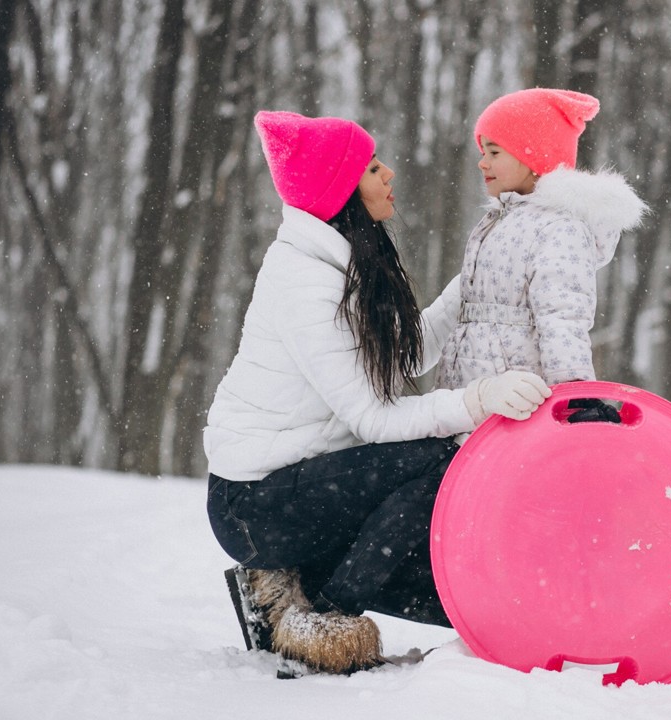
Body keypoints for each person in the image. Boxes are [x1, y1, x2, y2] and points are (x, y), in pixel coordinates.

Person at [204, 110, 551, 676]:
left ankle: (319, 587)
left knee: (457, 599)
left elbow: (403, 360)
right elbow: (373, 417)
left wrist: (472, 286)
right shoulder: (304, 282)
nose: (388, 174)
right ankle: (328, 609)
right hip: (255, 505)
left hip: (313, 483)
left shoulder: (340, 264)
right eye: (371, 167)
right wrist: (478, 398)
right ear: (340, 190)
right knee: (445, 460)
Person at [435, 88, 647, 419]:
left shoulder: (558, 230)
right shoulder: (499, 221)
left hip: (521, 403)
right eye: (482, 150)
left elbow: (562, 317)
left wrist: (576, 398)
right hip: (476, 396)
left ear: (533, 159)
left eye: (494, 152)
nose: (482, 161)